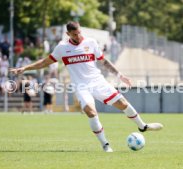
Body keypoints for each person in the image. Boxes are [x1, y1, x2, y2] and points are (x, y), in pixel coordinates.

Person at [10, 21, 163, 152]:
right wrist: (25, 68)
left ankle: (142, 126)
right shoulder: (62, 48)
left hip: (98, 82)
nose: (78, 36)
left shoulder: (91, 42)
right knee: (91, 112)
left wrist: (119, 75)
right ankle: (105, 145)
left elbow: (104, 62)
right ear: (68, 34)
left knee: (123, 104)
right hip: (81, 86)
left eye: (79, 33)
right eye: (74, 34)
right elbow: (44, 62)